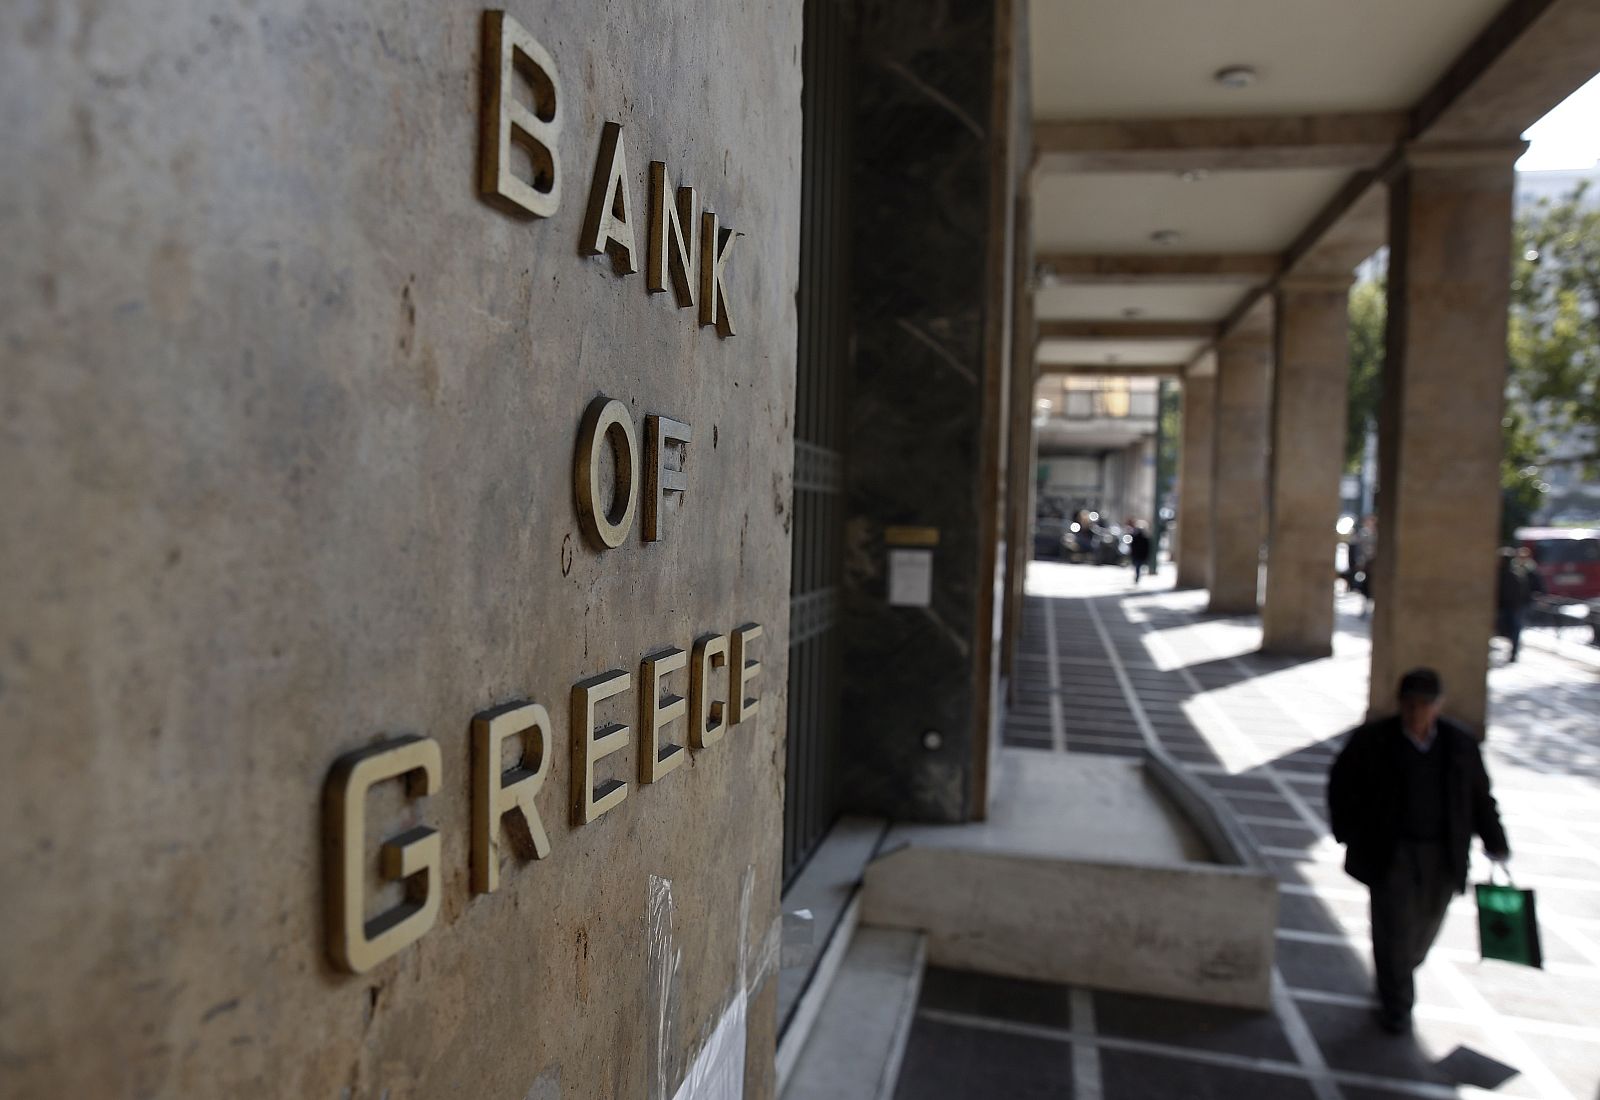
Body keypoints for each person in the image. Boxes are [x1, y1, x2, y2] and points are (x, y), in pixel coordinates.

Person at [1327, 668, 1510, 1035]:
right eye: (1409, 705)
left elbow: (1478, 796)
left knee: (1423, 929)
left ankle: (1397, 974)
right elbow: (1342, 784)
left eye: (1424, 705)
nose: (1416, 713)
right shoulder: (1374, 741)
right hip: (1391, 853)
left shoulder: (1459, 745)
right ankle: (1396, 1005)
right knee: (1392, 928)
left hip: (1441, 855)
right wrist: (1348, 832)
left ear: (1438, 707)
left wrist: (1496, 841)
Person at [1495, 545, 1544, 662]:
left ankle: (1513, 652)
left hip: (1516, 606)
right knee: (1510, 629)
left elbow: (1530, 589)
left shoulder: (1522, 572)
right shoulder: (1510, 573)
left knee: (1515, 629)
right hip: (1511, 606)